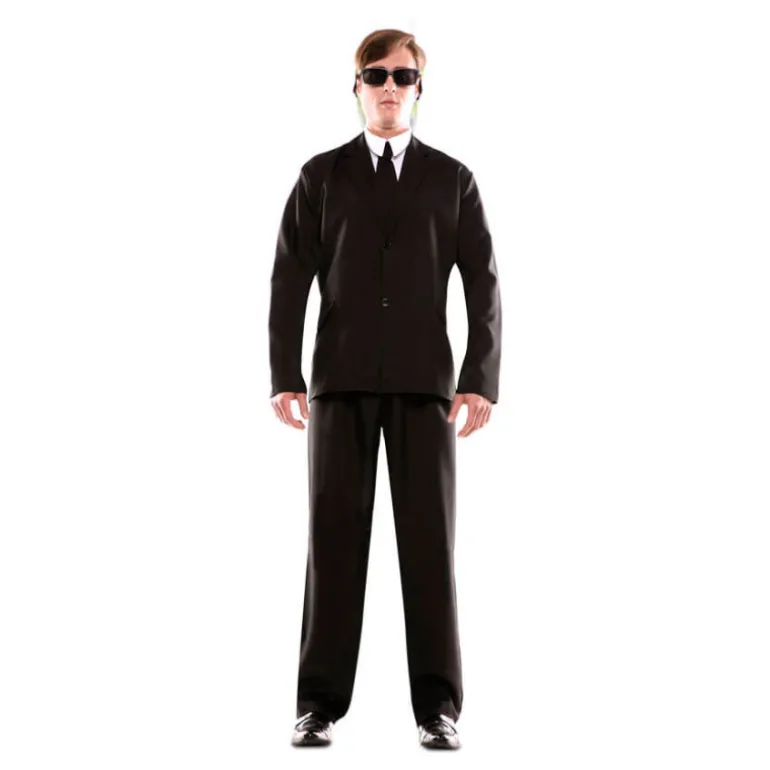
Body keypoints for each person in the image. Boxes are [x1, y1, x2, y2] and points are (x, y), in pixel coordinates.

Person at [268, 28, 502, 750]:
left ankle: (439, 708)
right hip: (338, 384)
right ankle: (317, 704)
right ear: (357, 87)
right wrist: (285, 374)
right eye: (376, 75)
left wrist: (479, 379)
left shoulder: (453, 180)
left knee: (429, 548)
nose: (390, 86)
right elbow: (289, 278)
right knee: (333, 544)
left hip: (426, 388)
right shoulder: (321, 176)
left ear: (419, 88)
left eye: (403, 75)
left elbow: (484, 284)